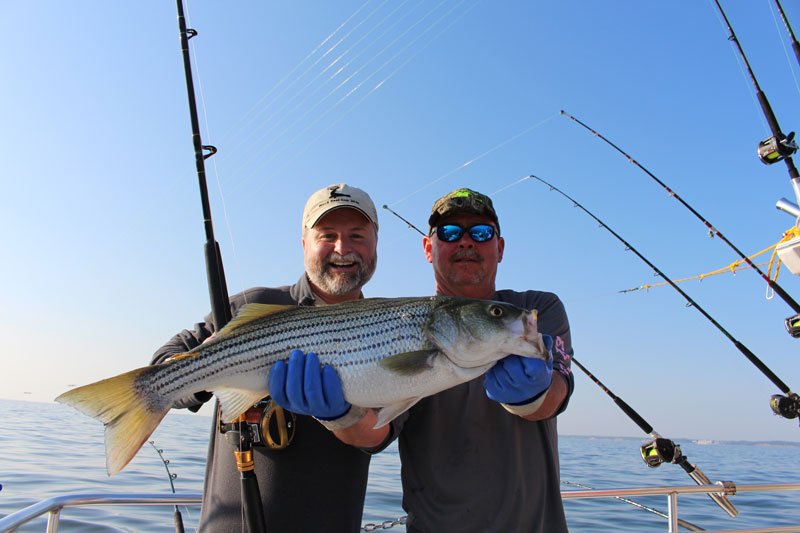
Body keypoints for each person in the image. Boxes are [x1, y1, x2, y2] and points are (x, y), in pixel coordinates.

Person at [303, 187, 574, 532]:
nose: (465, 242)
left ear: (500, 247)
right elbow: (374, 433)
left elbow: (554, 397)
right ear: (429, 249)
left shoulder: (535, 310)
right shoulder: (401, 325)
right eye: (448, 233)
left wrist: (532, 396)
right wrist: (338, 415)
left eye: (480, 232)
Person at [151, 183, 380, 532]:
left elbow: (379, 435)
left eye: (357, 235)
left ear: (376, 243)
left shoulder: (393, 329)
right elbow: (163, 361)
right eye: (327, 234)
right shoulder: (253, 306)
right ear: (305, 243)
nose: (342, 248)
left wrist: (340, 414)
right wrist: (205, 368)